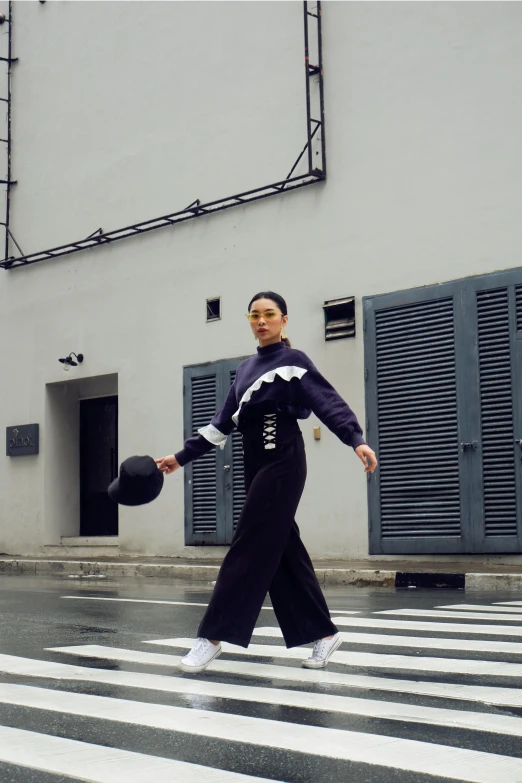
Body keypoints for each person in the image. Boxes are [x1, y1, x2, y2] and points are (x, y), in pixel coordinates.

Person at [156, 291, 378, 674]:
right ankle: (322, 634)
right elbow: (220, 425)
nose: (262, 321)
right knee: (283, 550)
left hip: (284, 459)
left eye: (270, 314)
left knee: (250, 542)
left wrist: (355, 439)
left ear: (284, 320)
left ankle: (211, 637)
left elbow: (328, 402)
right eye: (255, 315)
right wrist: (180, 458)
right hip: (255, 462)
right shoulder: (244, 370)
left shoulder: (294, 361)